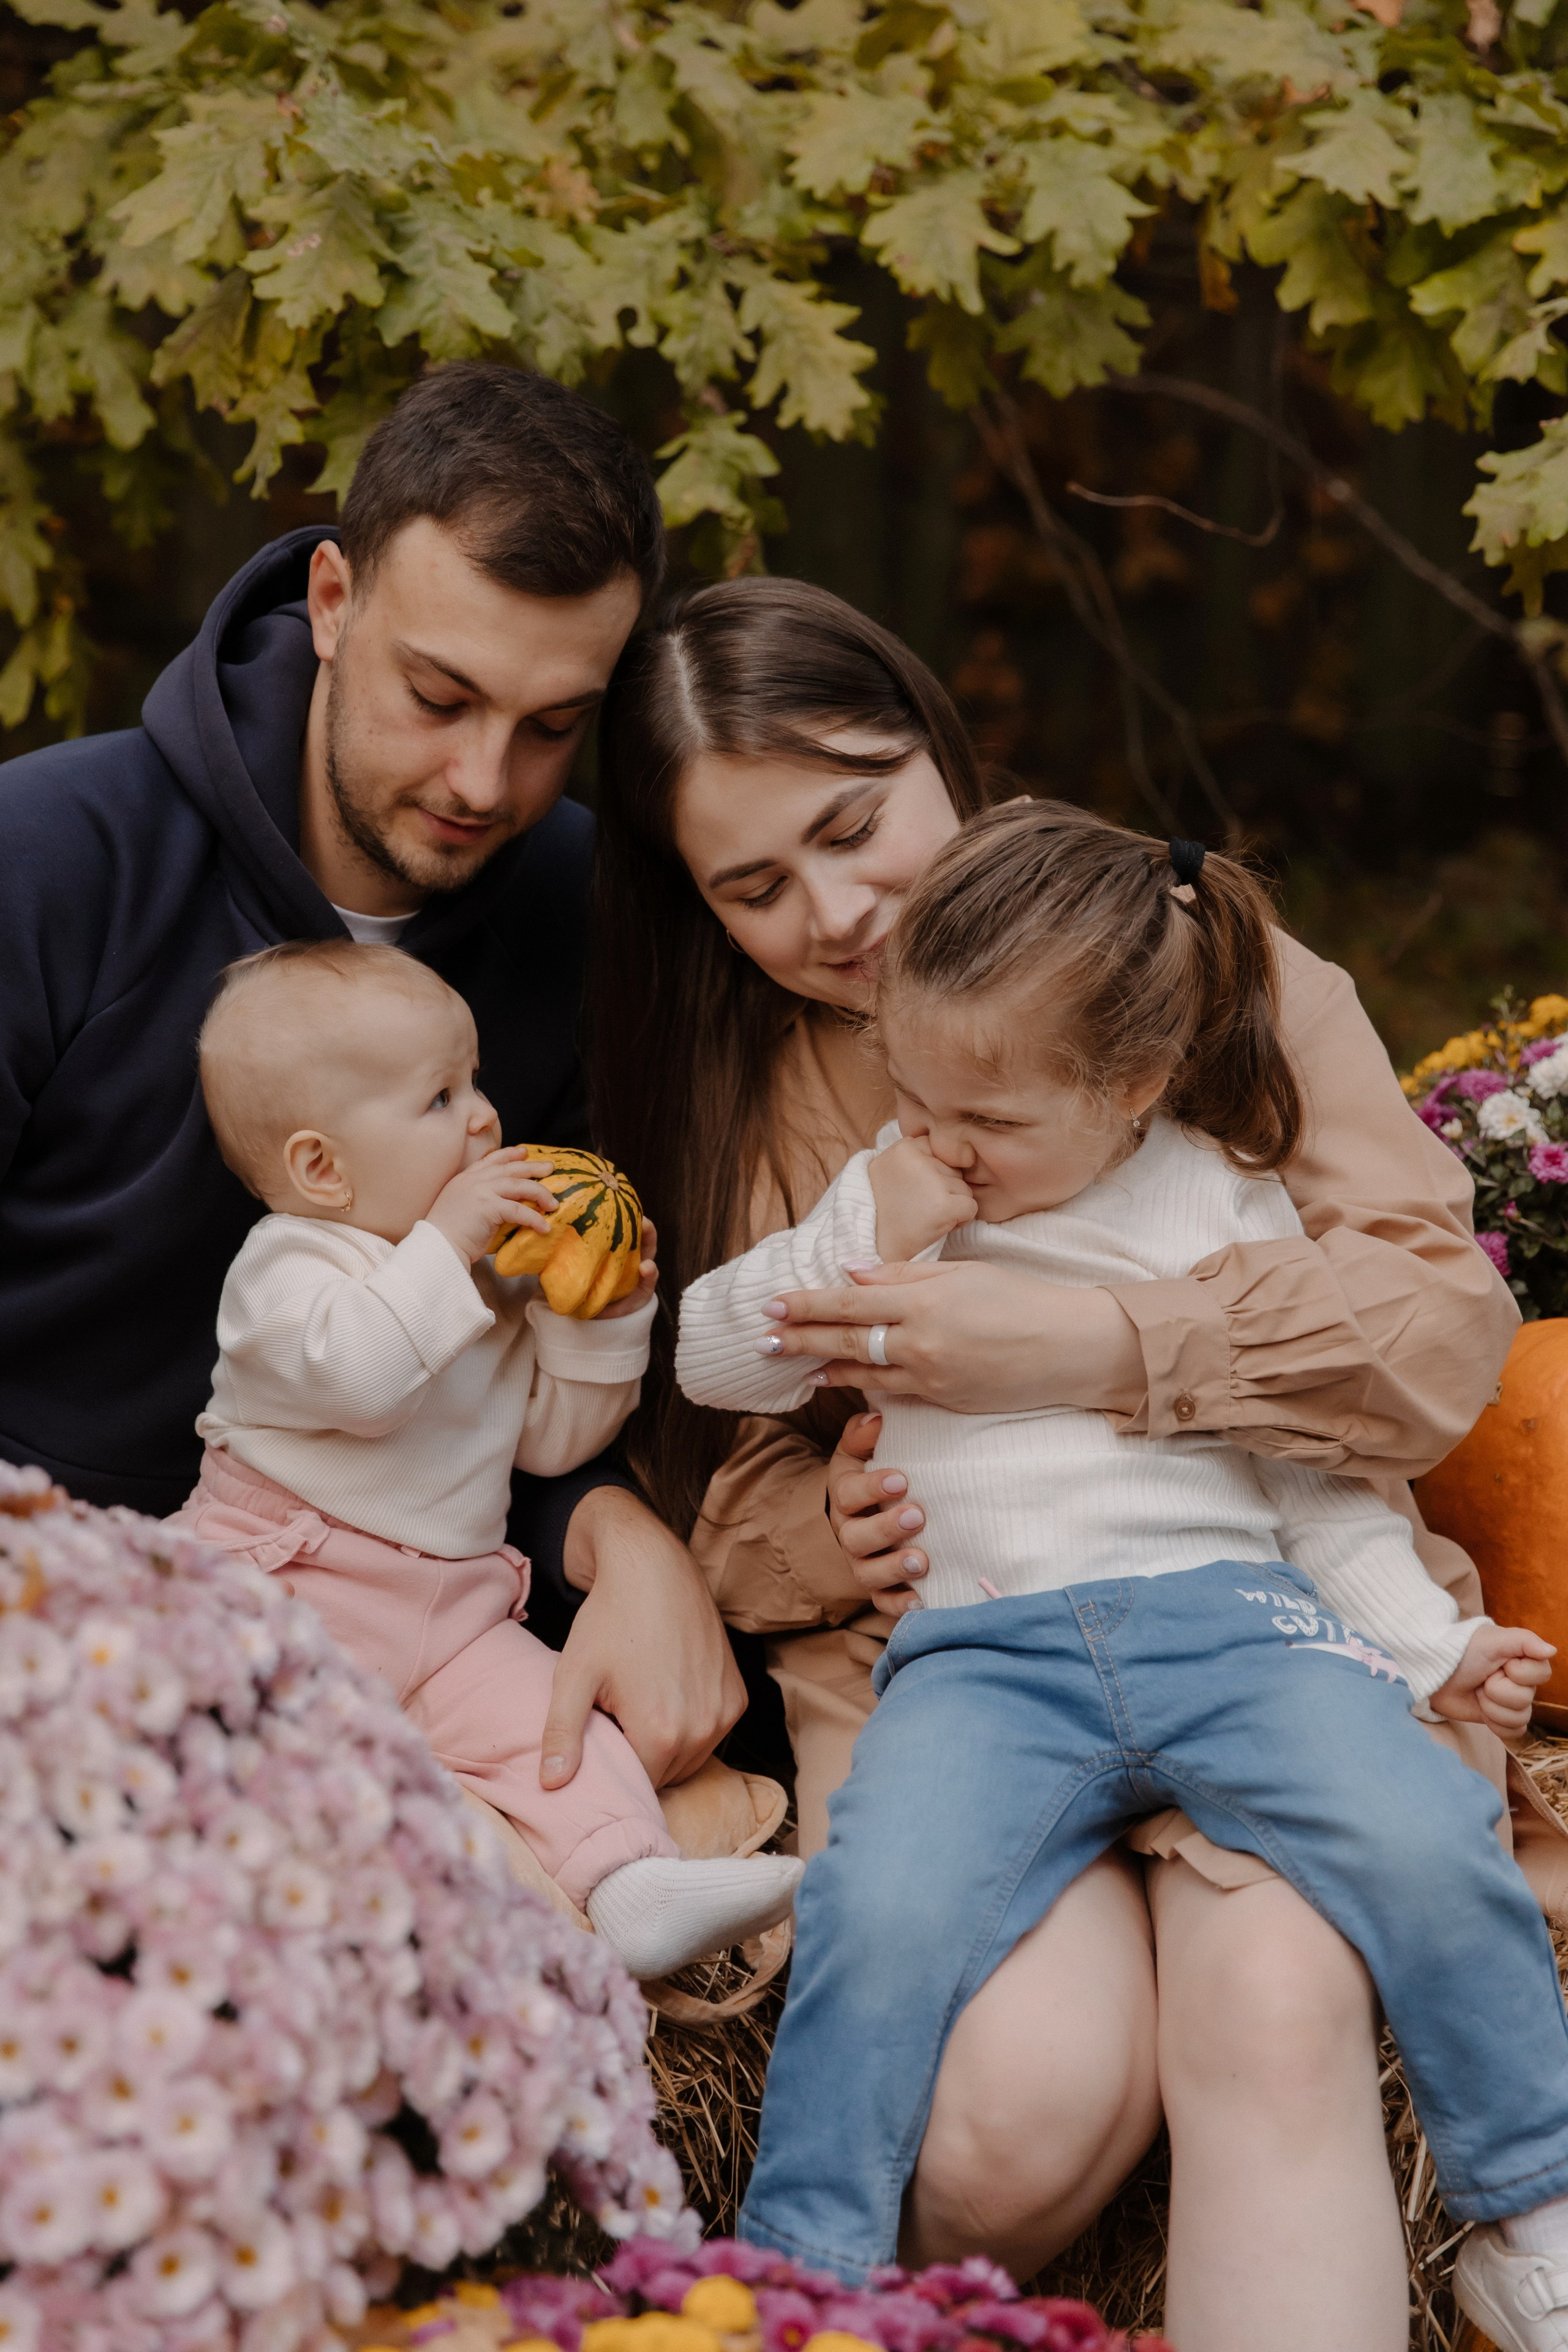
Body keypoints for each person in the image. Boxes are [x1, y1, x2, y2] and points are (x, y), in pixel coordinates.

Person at [589, 575, 1558, 2352]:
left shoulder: (1198, 966)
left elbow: (1434, 1334)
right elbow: (732, 1467)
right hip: (955, 1670)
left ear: (938, 748)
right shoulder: (765, 1086)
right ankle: (810, 2294)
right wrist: (831, 1528)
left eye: (856, 821)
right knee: (998, 2130)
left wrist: (1113, 1353)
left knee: (1271, 2011)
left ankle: (1524, 2211)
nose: (837, 909)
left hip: (1260, 1610)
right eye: (754, 887)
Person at [0, 361, 744, 1803]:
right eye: (439, 695)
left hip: (402, 1638)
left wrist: (619, 1533)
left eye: (548, 726)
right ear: (331, 602)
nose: (483, 781)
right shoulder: (44, 860)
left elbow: (562, 1333)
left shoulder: (588, 922)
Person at [166, 940, 802, 1978]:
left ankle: (631, 1885)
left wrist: (600, 1316)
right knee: (270, 1760)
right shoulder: (289, 1266)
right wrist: (451, 1249)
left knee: (559, 1735)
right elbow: (363, 1381)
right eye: (439, 1098)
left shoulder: (483, 1278)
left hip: (455, 1613)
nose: (485, 1118)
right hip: (289, 1579)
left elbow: (553, 1440)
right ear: (321, 1167)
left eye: (477, 1081)